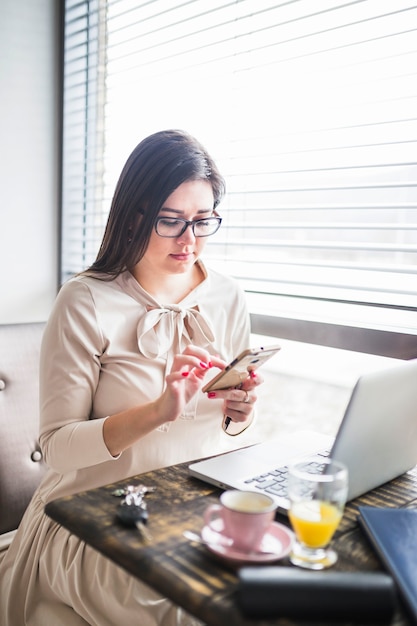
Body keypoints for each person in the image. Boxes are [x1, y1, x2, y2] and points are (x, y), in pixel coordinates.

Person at [0, 129, 262, 626]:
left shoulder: (228, 296)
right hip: (93, 516)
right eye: (172, 221)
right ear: (133, 215)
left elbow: (228, 427)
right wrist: (159, 412)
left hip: (192, 510)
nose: (190, 240)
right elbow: (57, 447)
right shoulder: (84, 300)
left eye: (203, 220)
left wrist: (238, 415)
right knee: (185, 611)